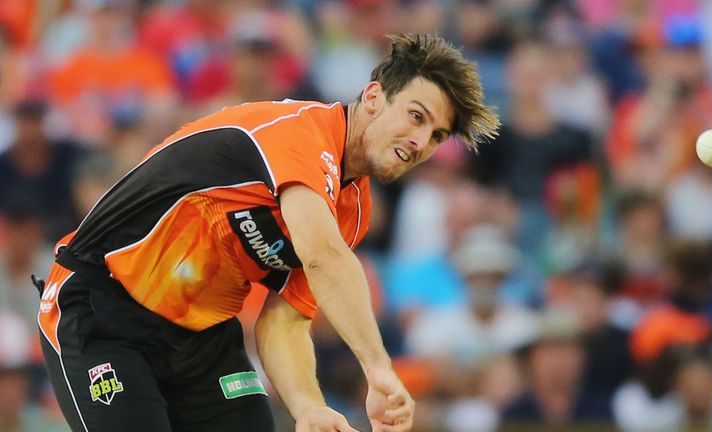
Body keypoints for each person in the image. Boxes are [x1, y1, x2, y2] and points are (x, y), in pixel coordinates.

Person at [36, 33, 499, 432]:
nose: (421, 143)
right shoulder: (299, 133)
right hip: (103, 306)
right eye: (417, 117)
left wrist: (308, 407)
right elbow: (322, 257)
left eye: (437, 136)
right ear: (374, 97)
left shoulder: (352, 208)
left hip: (199, 334)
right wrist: (379, 369)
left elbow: (285, 319)